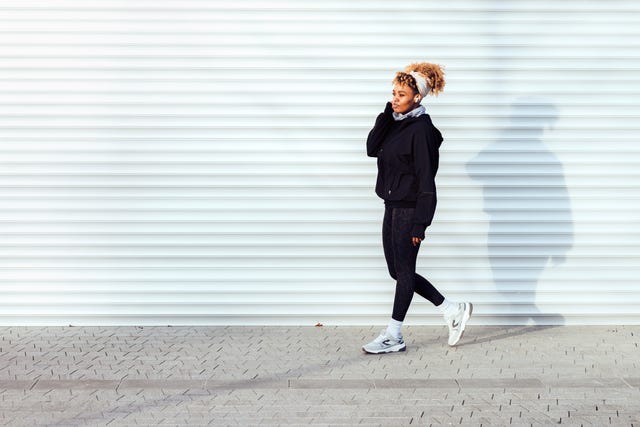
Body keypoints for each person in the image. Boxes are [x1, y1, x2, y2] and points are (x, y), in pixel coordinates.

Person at [362, 62, 473, 354]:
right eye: (393, 93)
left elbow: (427, 178)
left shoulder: (422, 131)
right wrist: (387, 113)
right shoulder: (395, 122)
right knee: (397, 272)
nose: (394, 98)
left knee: (406, 270)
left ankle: (394, 334)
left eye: (400, 94)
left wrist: (420, 223)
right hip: (392, 205)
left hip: (410, 209)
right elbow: (372, 147)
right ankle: (452, 308)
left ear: (417, 97)